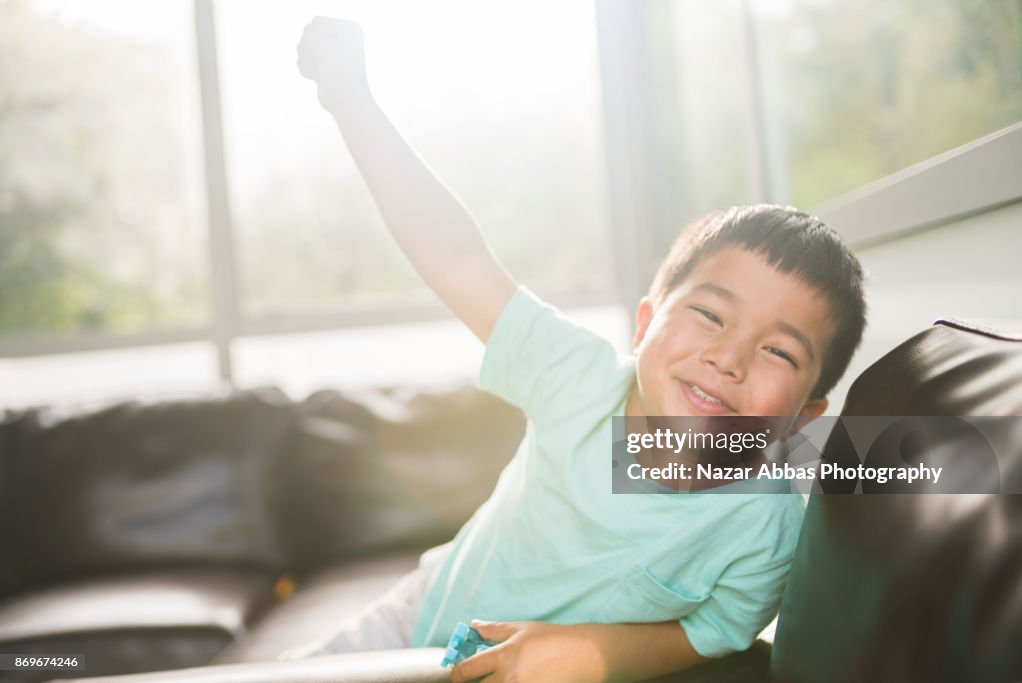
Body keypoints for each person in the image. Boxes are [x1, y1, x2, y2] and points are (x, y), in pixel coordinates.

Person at [291, 16, 867, 683]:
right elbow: (455, 257)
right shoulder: (576, 376)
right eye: (709, 313)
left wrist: (593, 651)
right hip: (413, 621)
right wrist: (353, 100)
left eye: (779, 353)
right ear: (646, 323)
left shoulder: (767, 528)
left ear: (804, 413)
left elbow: (708, 631)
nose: (728, 357)